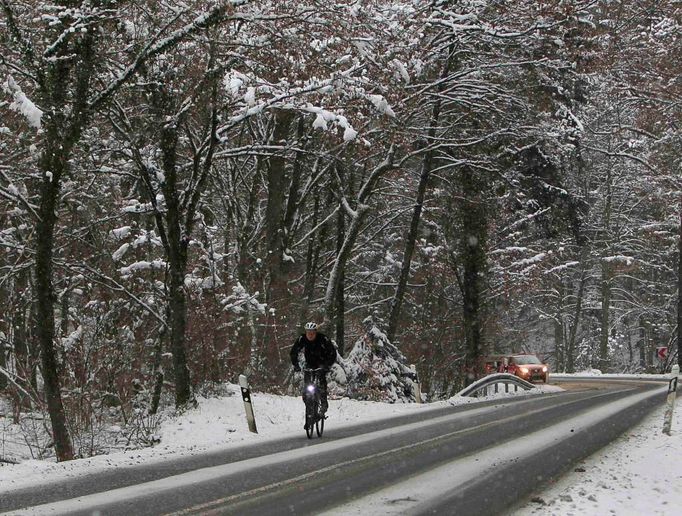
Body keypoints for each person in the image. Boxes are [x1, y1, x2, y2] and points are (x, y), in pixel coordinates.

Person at [290, 322, 337, 420]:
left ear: (316, 332)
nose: (310, 335)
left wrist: (327, 365)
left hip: (322, 364)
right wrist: (296, 365)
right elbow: (294, 352)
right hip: (309, 365)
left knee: (321, 382)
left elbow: (332, 353)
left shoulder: (323, 339)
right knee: (307, 389)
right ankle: (310, 409)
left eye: (312, 333)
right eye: (308, 333)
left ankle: (323, 404)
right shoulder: (302, 339)